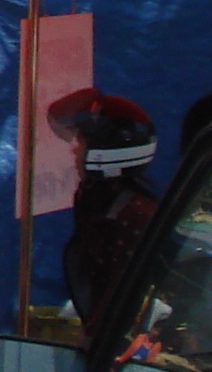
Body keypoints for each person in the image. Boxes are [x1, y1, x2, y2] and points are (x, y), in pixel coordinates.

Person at [55, 90, 162, 322]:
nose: (74, 149)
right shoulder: (97, 201)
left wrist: (95, 335)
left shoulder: (134, 213)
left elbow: (123, 299)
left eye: (82, 141)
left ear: (105, 152)